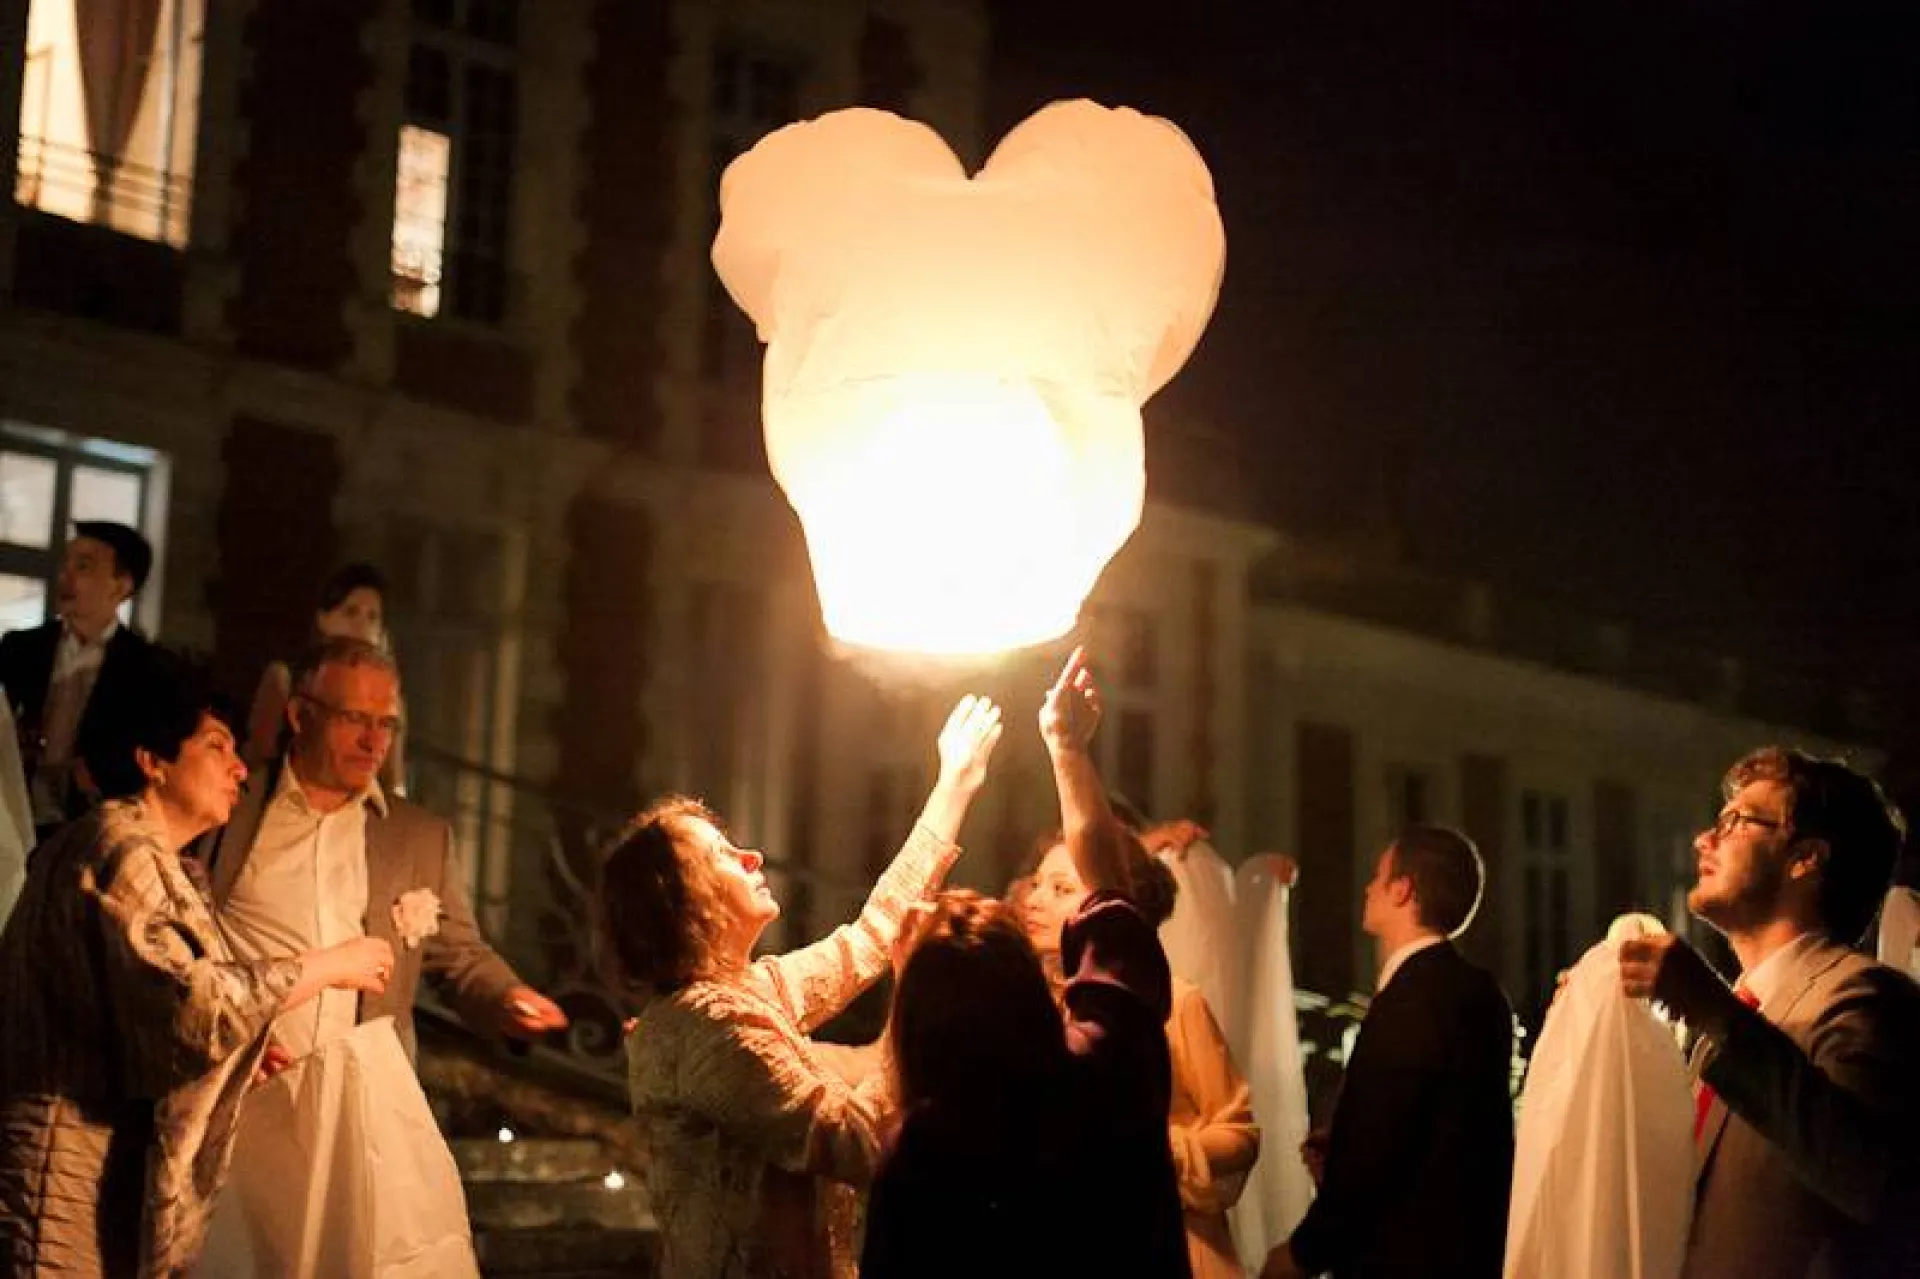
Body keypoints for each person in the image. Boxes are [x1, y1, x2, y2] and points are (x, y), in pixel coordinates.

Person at [0, 665, 392, 1276]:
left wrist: (240, 1054)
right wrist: (328, 964)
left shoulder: (152, 857)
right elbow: (193, 1008)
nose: (239, 766)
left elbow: (146, 1011)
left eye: (237, 749)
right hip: (62, 1175)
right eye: (216, 747)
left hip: (104, 1179)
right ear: (154, 761)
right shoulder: (119, 849)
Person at [600, 693, 1003, 1279]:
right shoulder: (710, 1029)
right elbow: (858, 1142)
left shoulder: (745, 991)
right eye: (722, 855)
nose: (753, 856)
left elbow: (870, 936)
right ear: (684, 904)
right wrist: (918, 998)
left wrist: (955, 786)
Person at [864, 648, 1190, 1278]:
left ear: (921, 1016)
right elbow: (1112, 886)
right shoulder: (1111, 1059)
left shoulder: (922, 1150)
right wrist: (1069, 749)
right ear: (1024, 984)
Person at [1617, 747, 1920, 1278]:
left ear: (1806, 857)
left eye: (1737, 821)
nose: (1703, 840)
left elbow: (1867, 1179)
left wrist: (1708, 1007)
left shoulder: (1862, 995)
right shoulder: (1740, 1013)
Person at [206, 636, 565, 1065]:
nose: (374, 742)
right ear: (302, 716)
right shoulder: (232, 809)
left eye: (387, 724)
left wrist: (509, 999)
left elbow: (459, 957)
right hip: (243, 1089)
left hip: (365, 1098)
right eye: (356, 719)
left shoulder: (417, 838)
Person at [1261, 825, 1515, 1279]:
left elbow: (1381, 1151)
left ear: (1403, 890)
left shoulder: (1412, 999)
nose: (1367, 888)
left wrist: (1303, 1253)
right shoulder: (1481, 993)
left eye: (1378, 877)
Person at [1020, 823, 1259, 1278]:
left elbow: (1239, 1130)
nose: (1034, 900)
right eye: (1036, 885)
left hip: (1167, 1241)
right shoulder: (1034, 1008)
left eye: (1061, 888)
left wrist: (1150, 1148)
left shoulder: (1176, 1002)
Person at [0, 520, 166, 836]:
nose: (66, 576)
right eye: (66, 563)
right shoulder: (20, 648)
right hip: (11, 817)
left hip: (89, 830)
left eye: (84, 566)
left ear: (121, 586)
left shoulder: (147, 670)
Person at [243, 563, 407, 793]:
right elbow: (258, 757)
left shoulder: (390, 698)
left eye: (373, 617)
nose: (361, 625)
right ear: (322, 618)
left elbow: (395, 780)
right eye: (351, 611)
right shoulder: (285, 679)